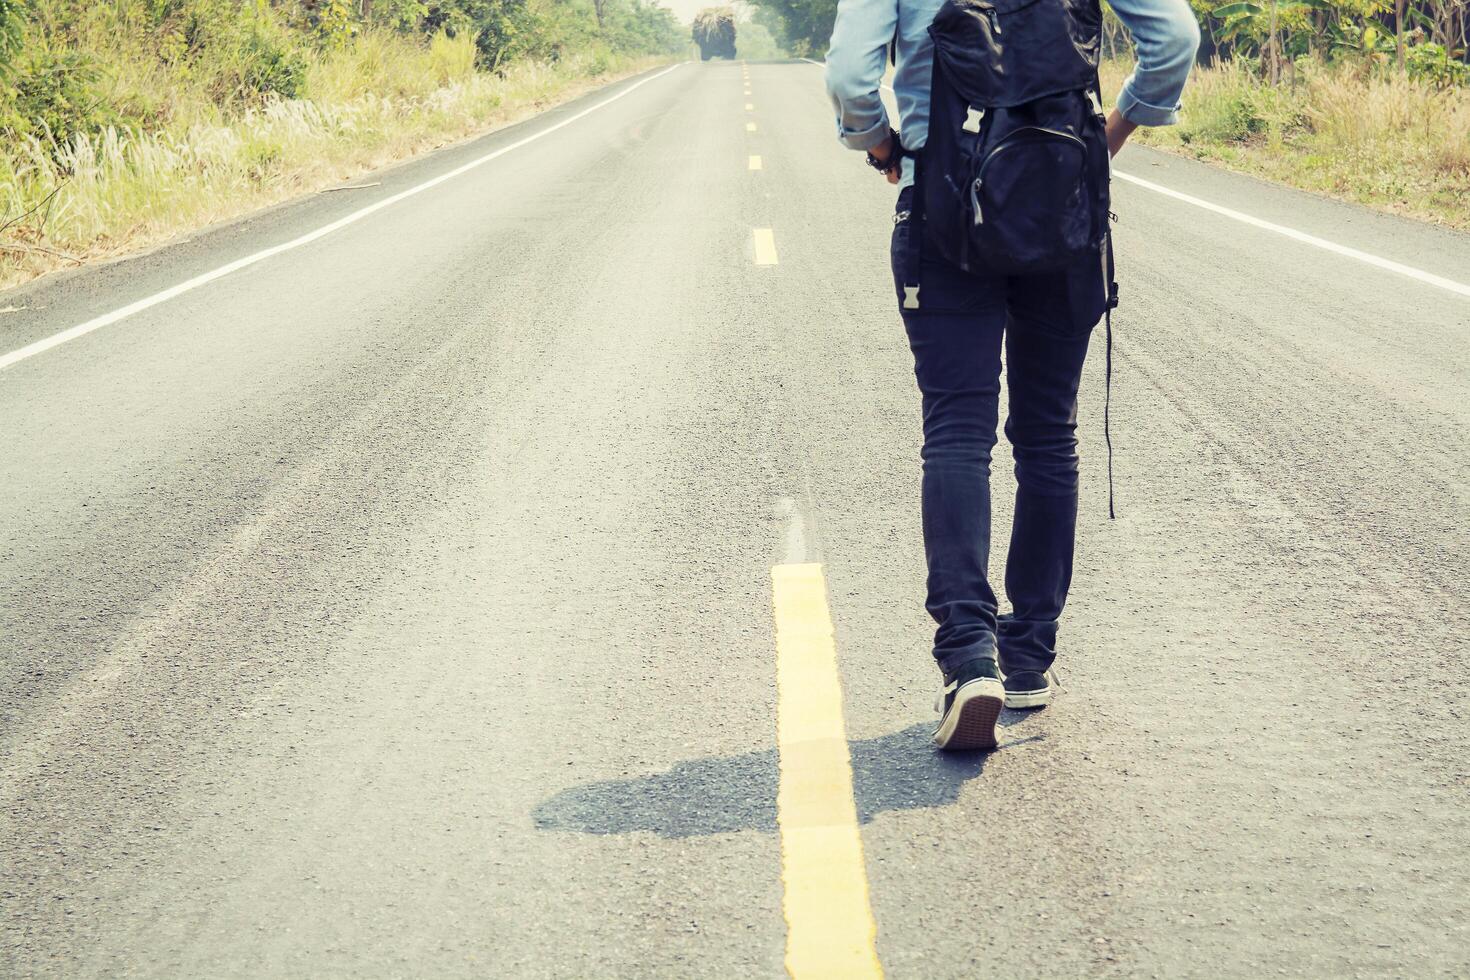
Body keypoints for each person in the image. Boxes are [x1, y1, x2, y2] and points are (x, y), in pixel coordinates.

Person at [825, 0, 1199, 750]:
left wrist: (882, 148)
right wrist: (1106, 137)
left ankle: (969, 659)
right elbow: (1176, 41)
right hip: (1063, 201)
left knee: (958, 432)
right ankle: (1029, 655)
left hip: (944, 207)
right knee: (1048, 437)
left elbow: (849, 79)